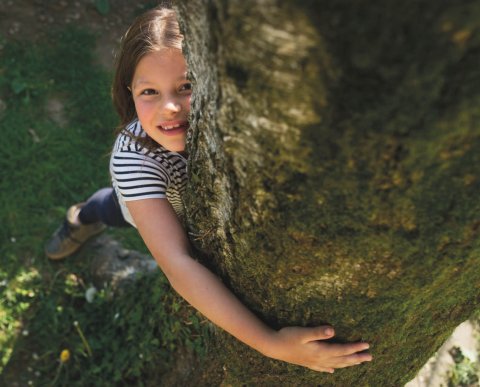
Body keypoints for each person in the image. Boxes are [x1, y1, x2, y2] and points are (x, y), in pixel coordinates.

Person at [44, 5, 372, 373]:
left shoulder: (237, 122)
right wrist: (270, 343)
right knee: (109, 208)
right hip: (144, 206)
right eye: (149, 91)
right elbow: (178, 264)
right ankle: (79, 219)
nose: (170, 107)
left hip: (189, 209)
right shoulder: (132, 161)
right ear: (130, 92)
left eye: (186, 87)